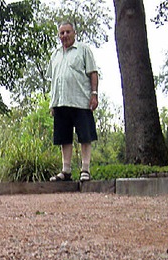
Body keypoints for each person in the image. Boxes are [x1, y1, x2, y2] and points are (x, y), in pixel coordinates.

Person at [47, 20, 99, 183]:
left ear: (74, 33)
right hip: (61, 101)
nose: (65, 36)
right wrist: (52, 102)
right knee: (63, 138)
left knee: (85, 135)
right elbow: (54, 79)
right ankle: (66, 170)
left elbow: (93, 73)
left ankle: (85, 169)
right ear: (58, 35)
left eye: (68, 32)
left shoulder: (83, 50)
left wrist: (94, 94)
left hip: (80, 100)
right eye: (62, 33)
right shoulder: (55, 54)